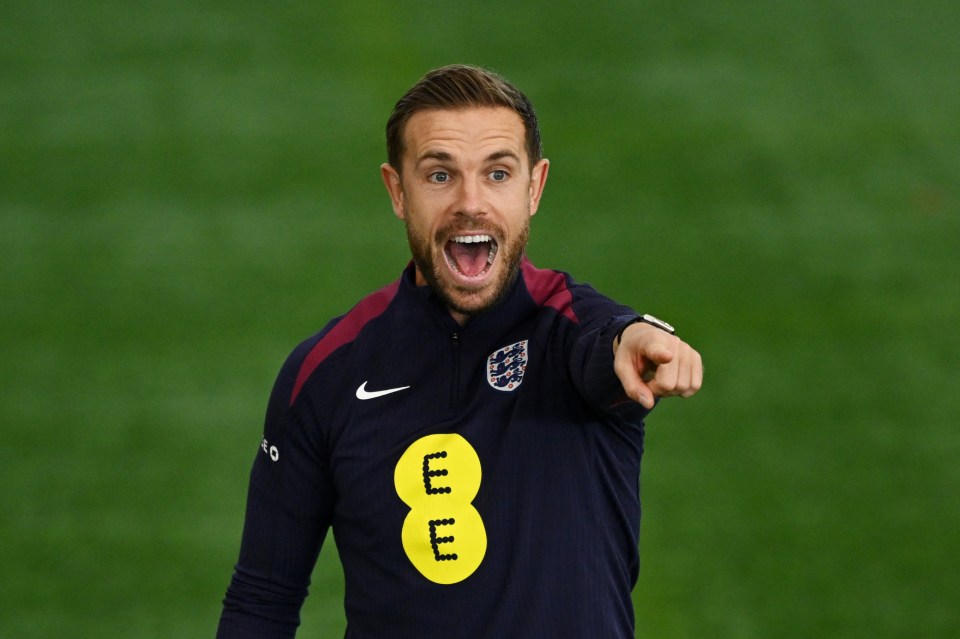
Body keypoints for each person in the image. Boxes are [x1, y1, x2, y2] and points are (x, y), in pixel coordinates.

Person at [216, 64, 703, 639]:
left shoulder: (573, 328)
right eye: (440, 175)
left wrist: (640, 337)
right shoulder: (323, 373)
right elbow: (262, 600)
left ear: (534, 188)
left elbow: (608, 344)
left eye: (497, 173)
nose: (471, 203)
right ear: (398, 191)